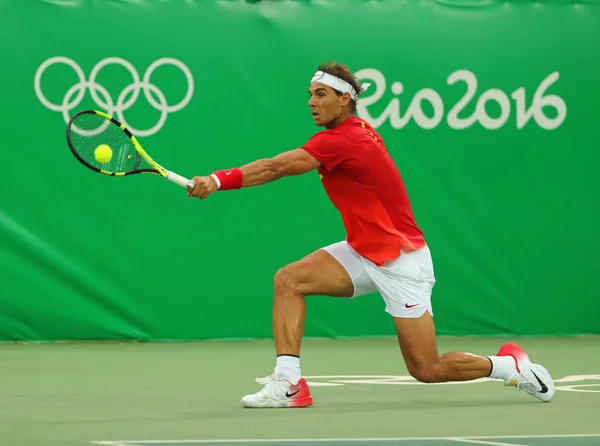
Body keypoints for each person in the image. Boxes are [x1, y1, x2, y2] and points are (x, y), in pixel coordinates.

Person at [187, 62, 555, 408]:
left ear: (345, 99)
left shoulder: (345, 140)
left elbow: (276, 166)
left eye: (321, 94)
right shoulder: (354, 131)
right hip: (364, 250)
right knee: (289, 280)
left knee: (427, 368)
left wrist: (217, 180)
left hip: (401, 261)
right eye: (310, 95)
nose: (312, 103)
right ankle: (289, 384)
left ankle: (509, 366)